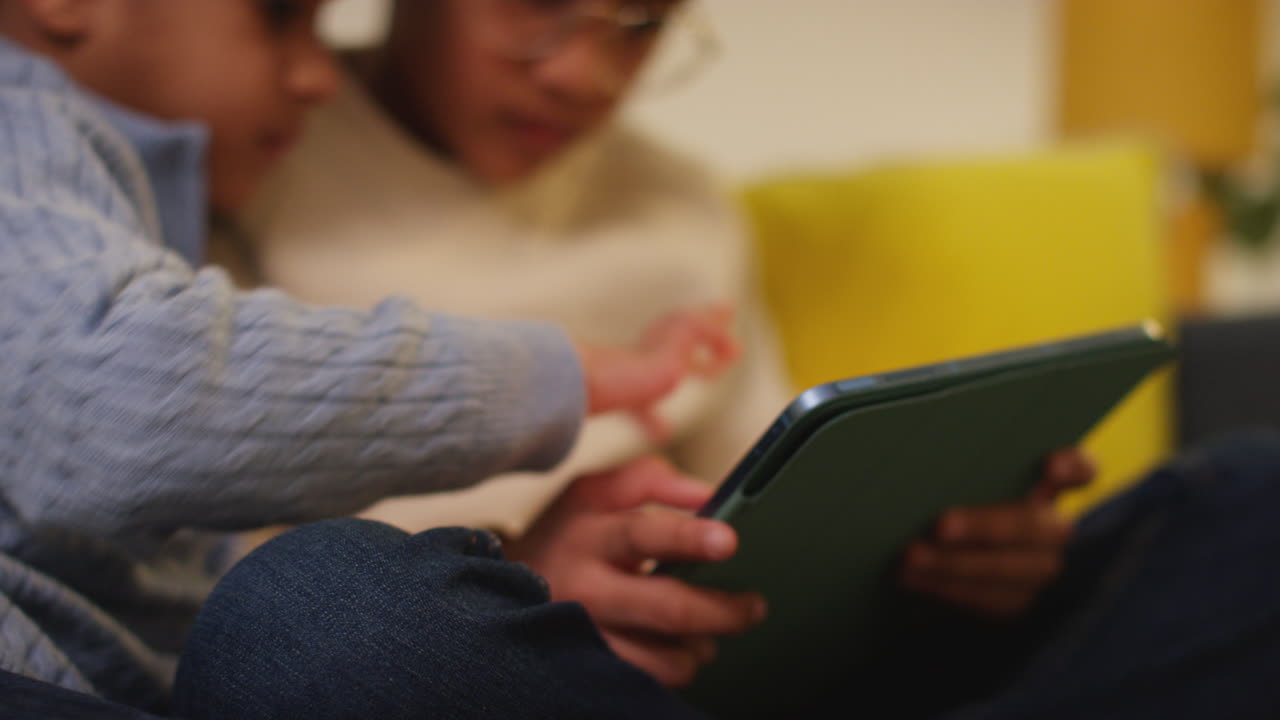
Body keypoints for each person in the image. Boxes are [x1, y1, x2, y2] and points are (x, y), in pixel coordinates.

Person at [0, 0, 767, 714]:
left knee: (322, 605)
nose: (318, 72)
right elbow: (123, 402)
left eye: (641, 23)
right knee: (320, 595)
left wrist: (501, 594)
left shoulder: (690, 212)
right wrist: (562, 376)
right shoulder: (43, 127)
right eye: (281, 15)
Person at [226, 0, 1090, 629]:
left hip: (687, 653)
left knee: (1218, 504)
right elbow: (201, 574)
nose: (583, 75)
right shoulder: (249, 137)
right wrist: (514, 583)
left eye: (641, 23)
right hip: (413, 640)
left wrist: (926, 554)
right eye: (538, 4)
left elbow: (765, 499)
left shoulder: (683, 207)